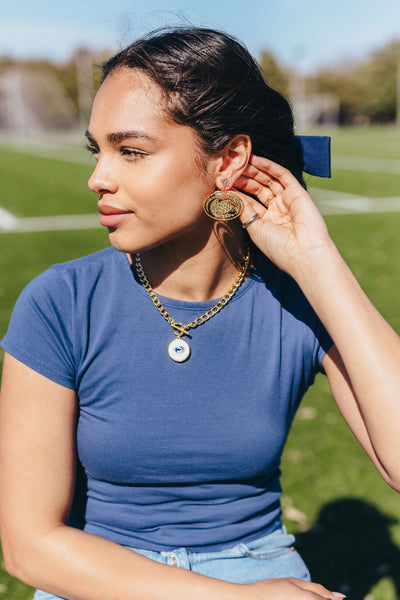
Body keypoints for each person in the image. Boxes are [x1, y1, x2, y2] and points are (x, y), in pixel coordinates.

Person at [0, 27, 399, 600]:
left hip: (258, 566)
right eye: (98, 149)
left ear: (229, 160)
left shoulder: (295, 300)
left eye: (130, 151)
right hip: (96, 574)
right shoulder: (61, 300)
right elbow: (30, 546)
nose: (98, 178)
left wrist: (318, 264)